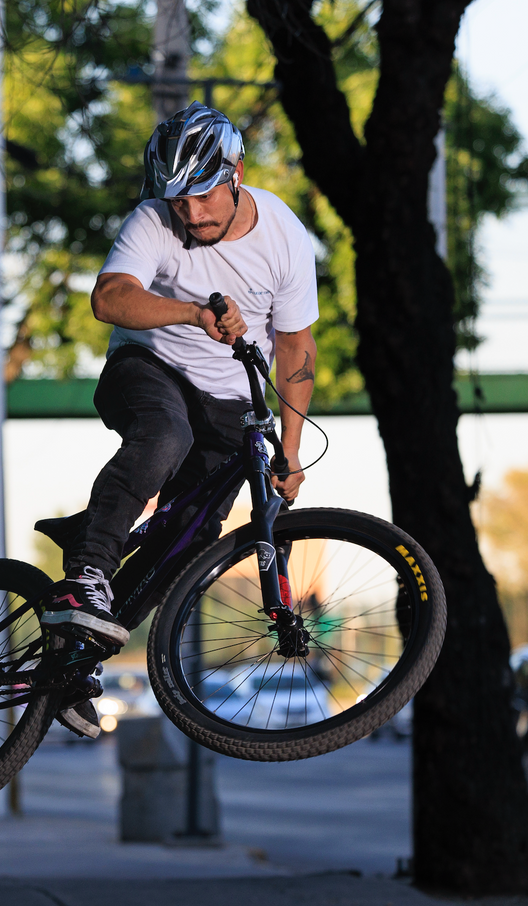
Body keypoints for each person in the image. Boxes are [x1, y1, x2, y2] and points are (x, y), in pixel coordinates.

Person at [39, 105, 319, 662]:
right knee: (167, 435)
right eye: (178, 199)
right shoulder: (153, 220)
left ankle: (75, 663)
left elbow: (295, 347)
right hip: (148, 368)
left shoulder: (284, 236)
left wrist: (290, 451)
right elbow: (109, 298)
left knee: (187, 541)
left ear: (235, 173)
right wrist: (191, 314)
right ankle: (87, 572)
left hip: (230, 404)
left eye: (203, 195)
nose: (191, 212)